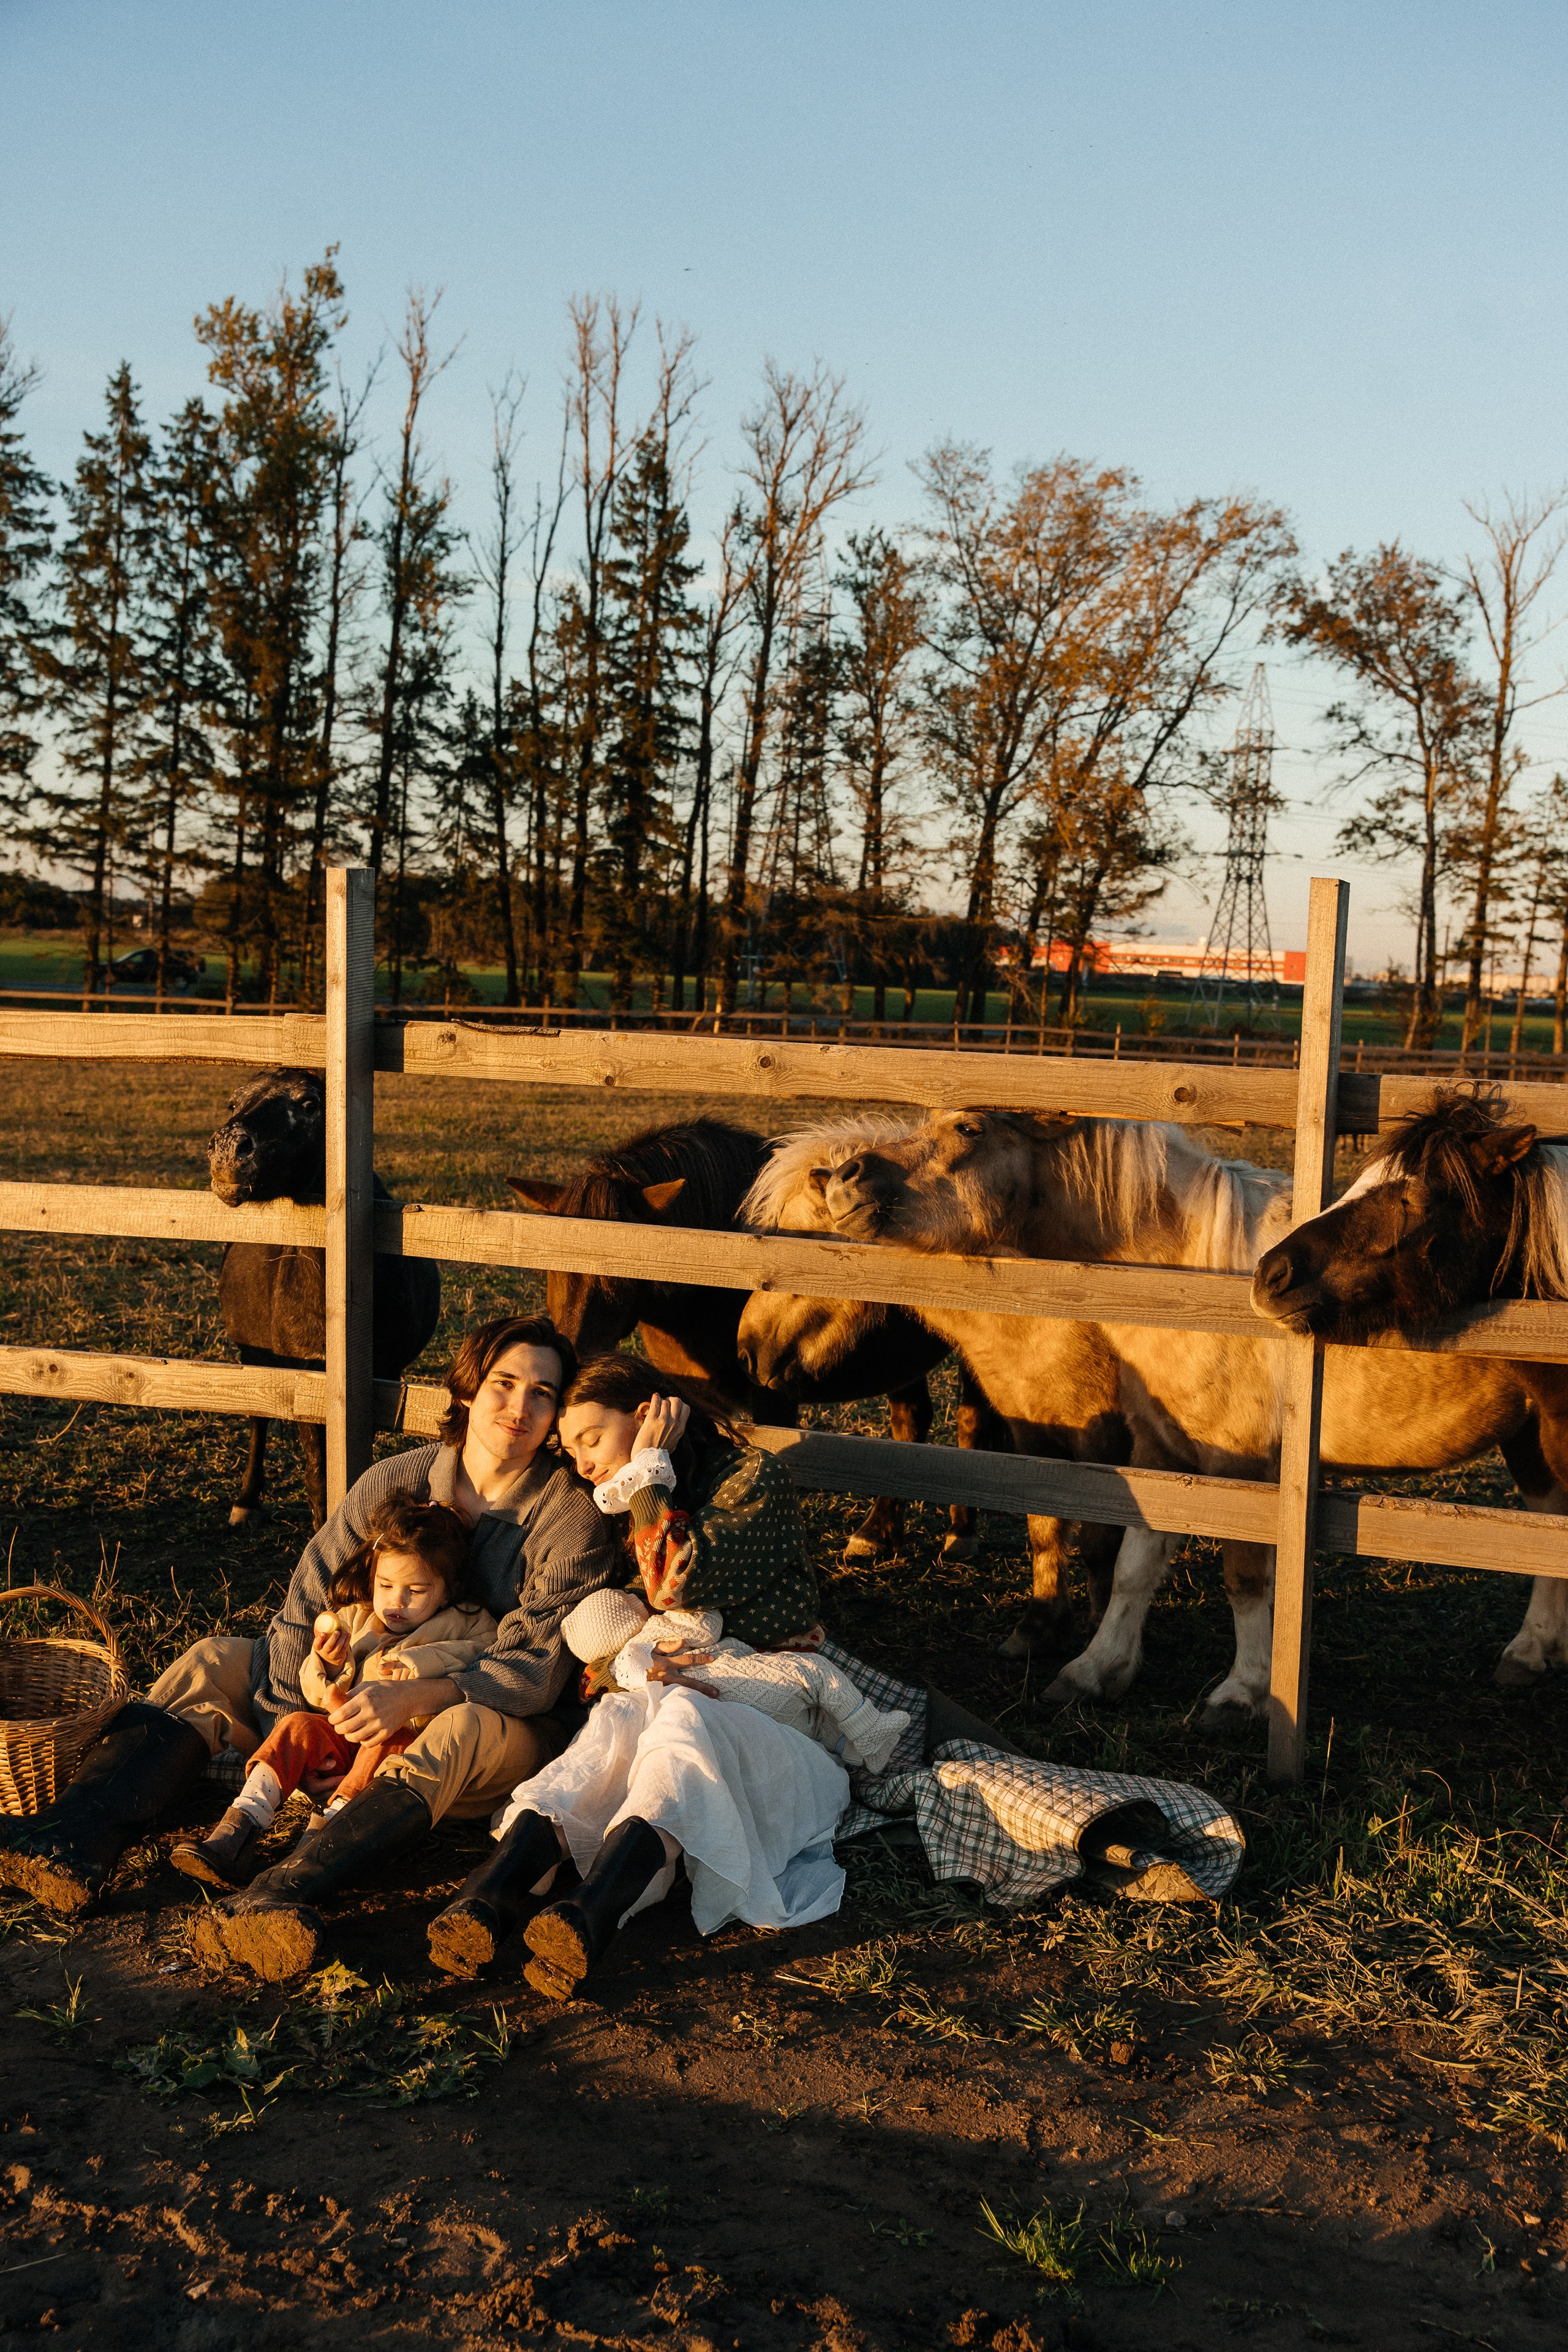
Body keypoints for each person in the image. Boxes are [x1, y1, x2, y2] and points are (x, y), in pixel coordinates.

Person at [0, 1314, 622, 1972]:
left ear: (556, 1413)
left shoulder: (567, 1518)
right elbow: (307, 1602)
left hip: (484, 1724)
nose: (520, 1406)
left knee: (464, 1724)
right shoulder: (394, 1482)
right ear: (467, 1390)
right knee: (213, 1657)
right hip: (345, 1692)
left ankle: (283, 1893)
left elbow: (533, 1671)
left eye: (543, 1393)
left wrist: (414, 1695)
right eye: (504, 1383)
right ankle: (71, 1838)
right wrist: (307, 1710)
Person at [426, 1354, 850, 1992]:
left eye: (592, 1439)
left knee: (680, 1718)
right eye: (570, 1451)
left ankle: (589, 1913)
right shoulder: (618, 1512)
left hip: (774, 1726)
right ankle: (491, 1899)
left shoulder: (750, 1481)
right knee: (618, 1725)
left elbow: (673, 1577)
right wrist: (629, 1663)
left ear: (652, 1412)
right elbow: (594, 1651)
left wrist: (652, 1471)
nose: (583, 1463)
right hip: (661, 1720)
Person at [169, 1496, 496, 1888]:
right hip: (342, 1734)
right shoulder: (357, 1618)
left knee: (385, 1741)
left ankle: (320, 1844)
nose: (396, 1602)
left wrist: (421, 1665)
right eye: (386, 1585)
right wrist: (329, 1666)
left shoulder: (468, 1623)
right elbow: (314, 1692)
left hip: (401, 1748)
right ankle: (238, 1829)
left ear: (447, 1591)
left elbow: (484, 1658)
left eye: (416, 1590)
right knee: (296, 1725)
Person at [565, 1586, 910, 1773]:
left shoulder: (628, 1674)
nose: (635, 1595)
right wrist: (689, 1605)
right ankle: (869, 1729)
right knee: (816, 1674)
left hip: (741, 1717)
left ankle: (858, 1756)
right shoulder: (656, 1633)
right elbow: (705, 1628)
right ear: (625, 1617)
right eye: (627, 1598)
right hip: (749, 1684)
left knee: (812, 1727)